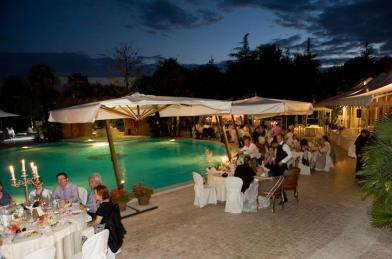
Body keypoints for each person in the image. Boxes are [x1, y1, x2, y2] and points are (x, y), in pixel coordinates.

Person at [89, 185, 126, 253]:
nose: (94, 195)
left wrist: (87, 225)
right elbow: (99, 213)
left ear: (100, 194)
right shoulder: (109, 202)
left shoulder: (103, 206)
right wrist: (94, 202)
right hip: (112, 229)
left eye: (95, 193)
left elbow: (96, 222)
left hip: (105, 230)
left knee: (85, 233)